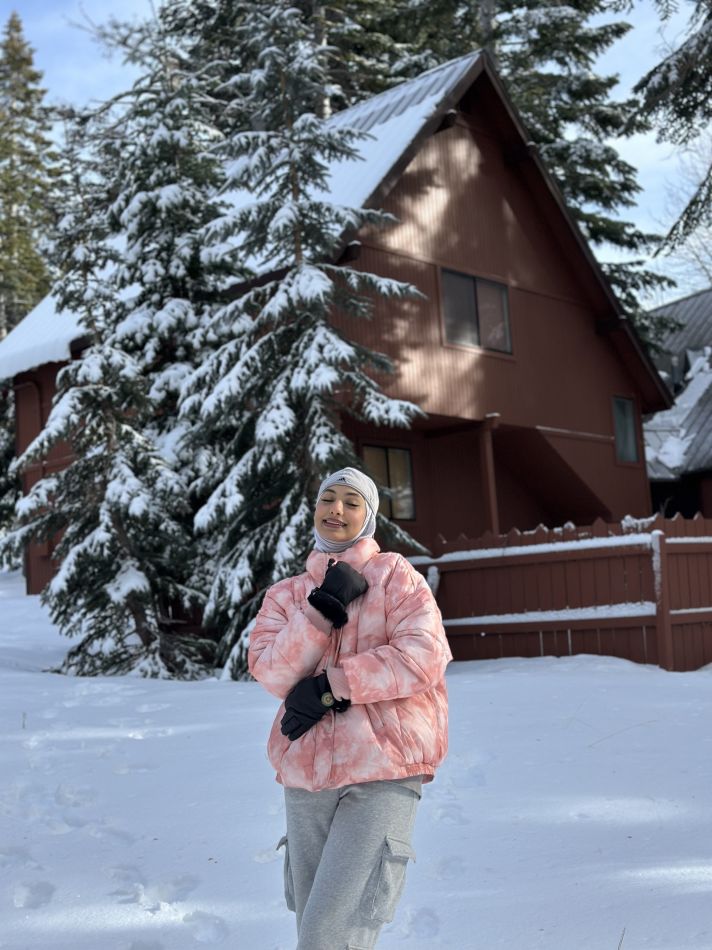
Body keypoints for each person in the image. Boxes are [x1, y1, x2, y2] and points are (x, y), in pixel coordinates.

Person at [248, 467, 452, 950]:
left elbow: (422, 656)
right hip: (306, 774)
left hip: (383, 768)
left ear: (369, 516)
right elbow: (270, 671)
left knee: (329, 935)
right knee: (314, 928)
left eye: (351, 501)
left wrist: (333, 685)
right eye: (328, 499)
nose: (336, 509)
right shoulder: (288, 595)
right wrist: (319, 611)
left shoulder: (397, 578)